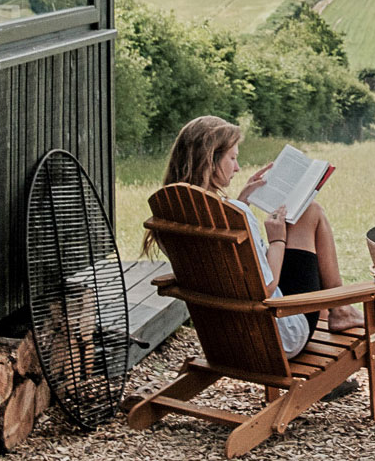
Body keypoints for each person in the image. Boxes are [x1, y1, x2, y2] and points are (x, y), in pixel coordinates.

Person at [152, 116, 363, 359]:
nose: (238, 167)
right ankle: (341, 308)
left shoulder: (171, 213)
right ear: (209, 160)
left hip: (223, 334)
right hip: (276, 336)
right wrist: (277, 239)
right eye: (232, 158)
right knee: (312, 211)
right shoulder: (236, 214)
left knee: (307, 212)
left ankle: (339, 309)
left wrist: (240, 204)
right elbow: (267, 285)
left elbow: (220, 267)